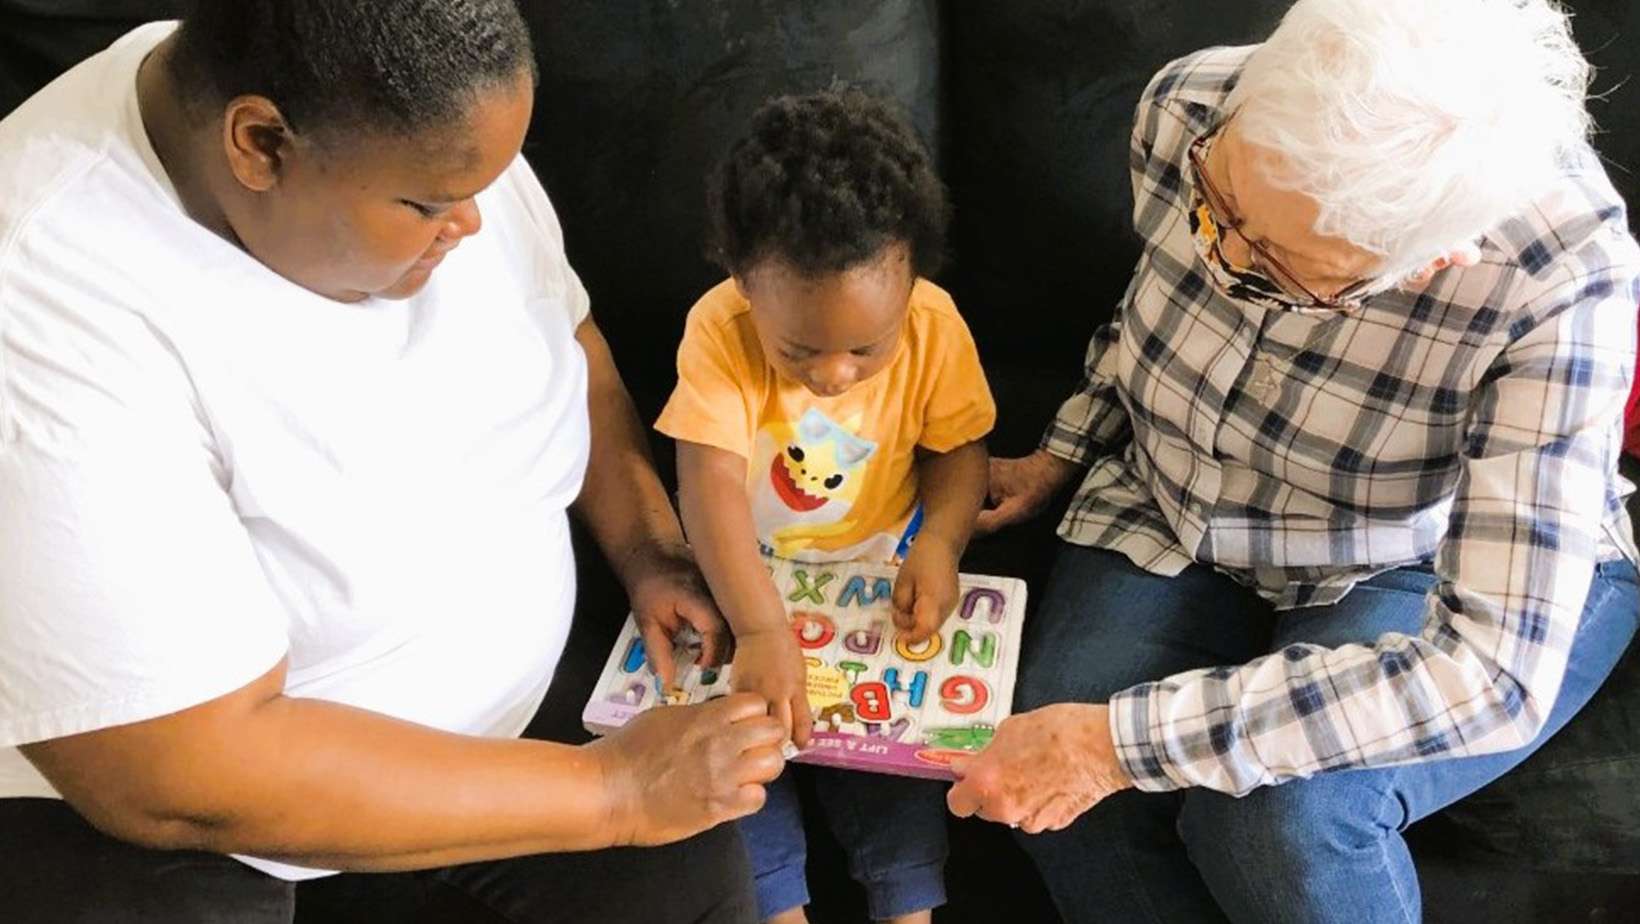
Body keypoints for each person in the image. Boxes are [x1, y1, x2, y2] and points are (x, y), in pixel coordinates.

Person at [0, 3, 787, 922]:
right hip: (190, 812)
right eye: (429, 205)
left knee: (696, 896)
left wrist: (650, 547)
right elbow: (177, 773)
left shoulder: (410, 106)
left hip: (501, 714)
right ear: (259, 146)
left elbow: (567, 338)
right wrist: (614, 793)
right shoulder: (46, 305)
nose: (477, 225)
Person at [947, 0, 1640, 921]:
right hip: (1172, 504)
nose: (1217, 251)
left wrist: (1115, 744)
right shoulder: (1197, 104)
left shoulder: (1565, 272)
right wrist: (1062, 450)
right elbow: (1152, 309)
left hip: (1411, 552)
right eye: (1217, 203)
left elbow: (1488, 673)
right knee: (1064, 798)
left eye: (1276, 267)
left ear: (1431, 261)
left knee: (1278, 822)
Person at [655, 89, 995, 924]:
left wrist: (941, 545)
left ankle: (909, 905)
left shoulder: (934, 325)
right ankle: (776, 908)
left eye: (865, 350)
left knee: (893, 777)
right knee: (736, 755)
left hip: (875, 572)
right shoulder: (717, 330)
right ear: (743, 284)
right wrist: (763, 627)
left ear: (913, 279)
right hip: (745, 579)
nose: (835, 374)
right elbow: (709, 484)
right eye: (801, 350)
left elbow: (959, 451)